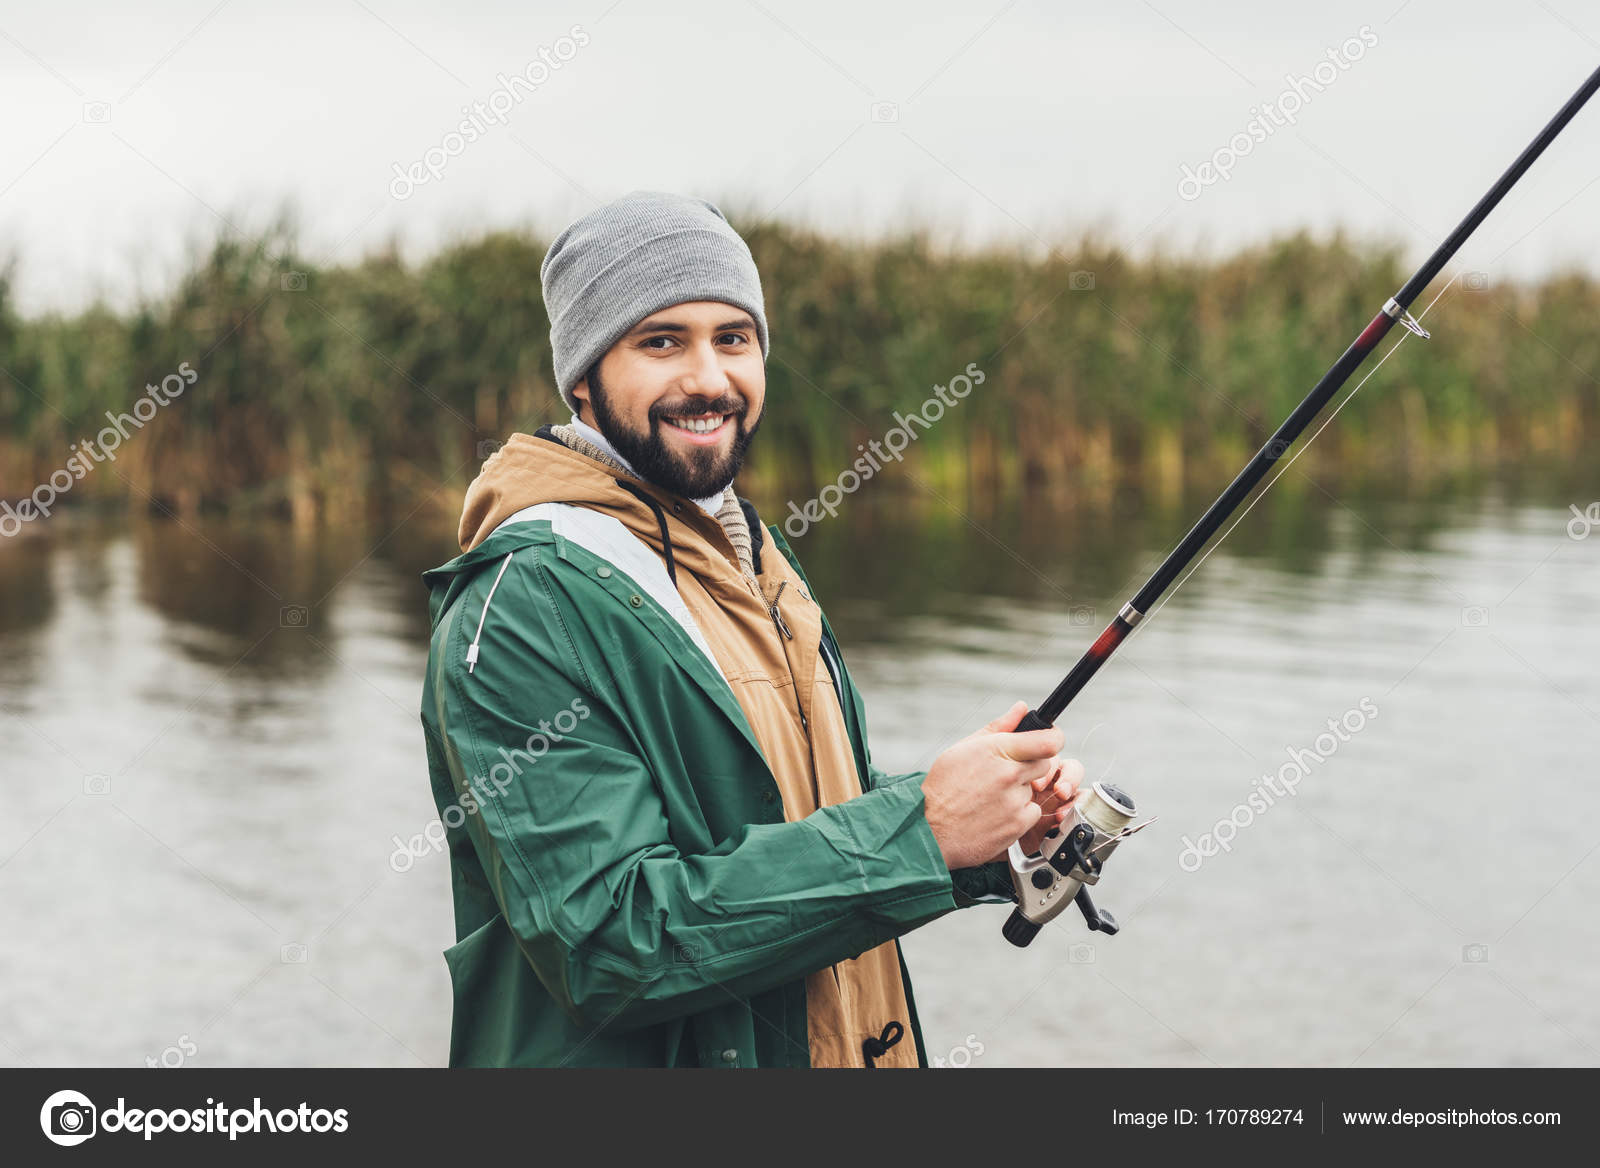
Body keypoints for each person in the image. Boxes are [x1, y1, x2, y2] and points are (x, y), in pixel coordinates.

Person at [419, 191, 1081, 1068]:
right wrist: (918, 831)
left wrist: (988, 834)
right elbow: (612, 944)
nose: (708, 377)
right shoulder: (523, 602)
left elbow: (788, 813)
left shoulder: (752, 554)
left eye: (733, 338)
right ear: (581, 376)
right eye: (662, 341)